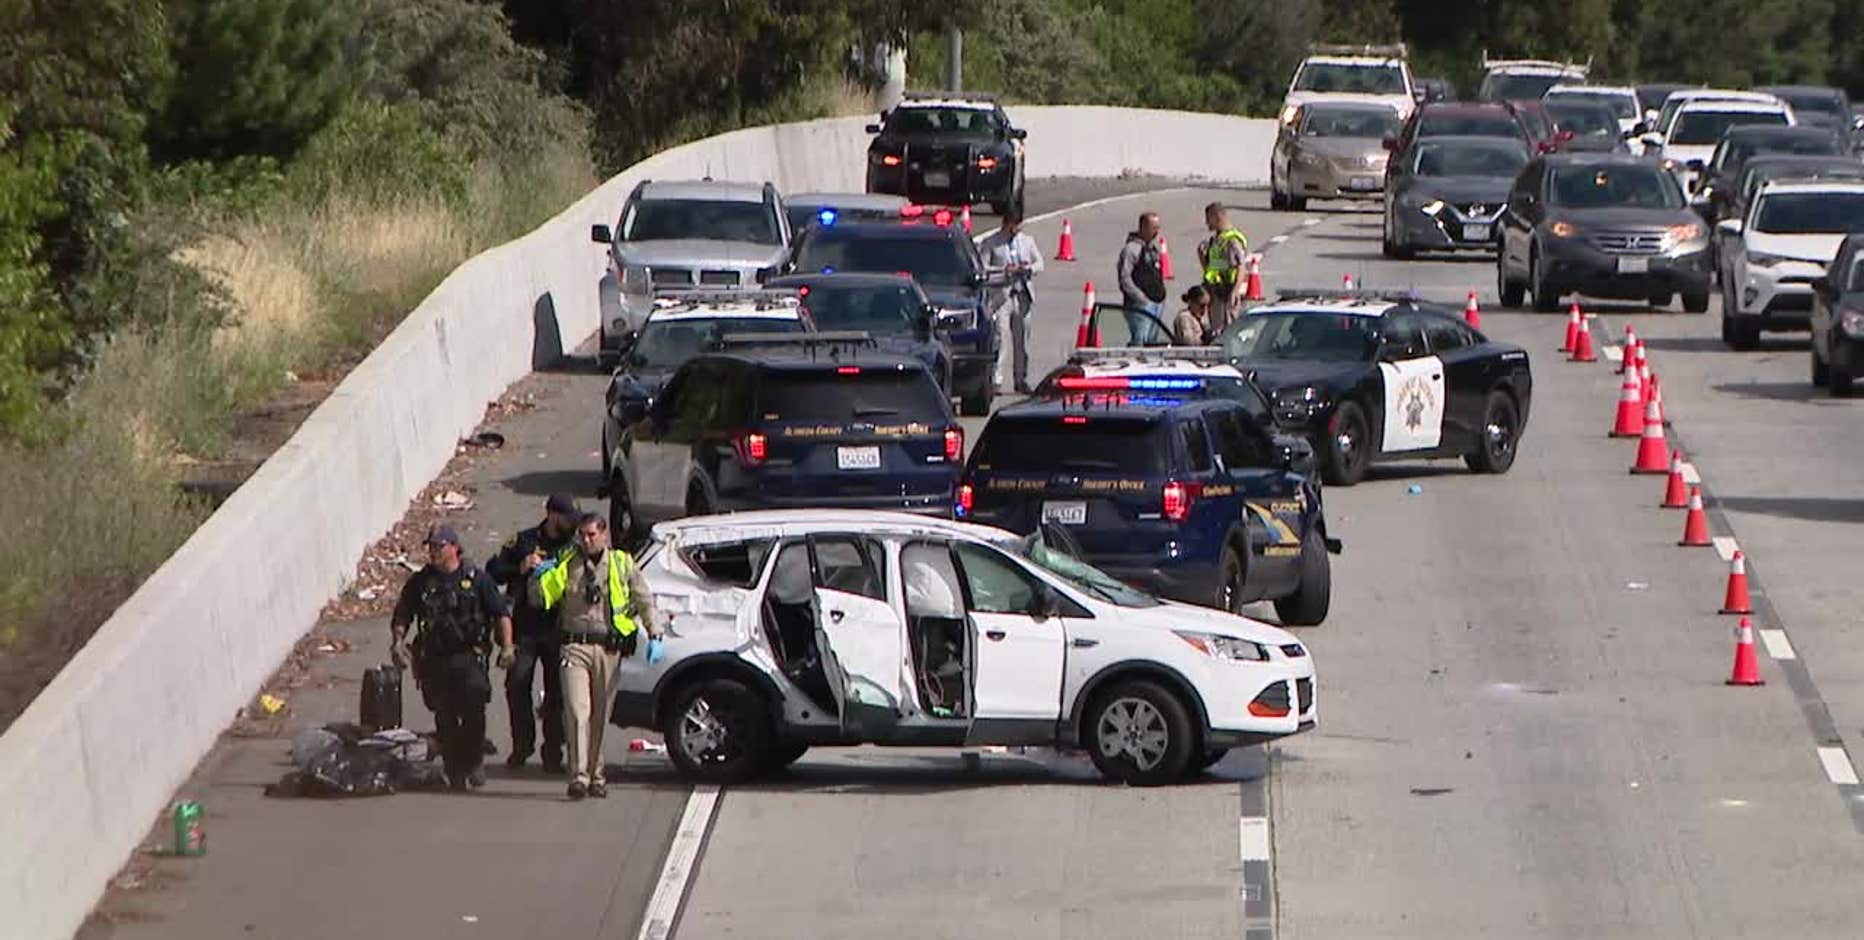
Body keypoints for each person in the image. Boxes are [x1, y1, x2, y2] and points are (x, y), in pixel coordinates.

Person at [530, 513, 664, 801]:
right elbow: (541, 598)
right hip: (574, 646)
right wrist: (539, 576)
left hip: (608, 649)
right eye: (582, 534)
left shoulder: (621, 563)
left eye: (592, 535)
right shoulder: (567, 562)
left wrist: (655, 633)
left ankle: (596, 775)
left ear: (604, 535)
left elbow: (644, 600)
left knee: (600, 716)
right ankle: (578, 777)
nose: (586, 540)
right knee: (578, 712)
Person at [390, 524, 514, 790]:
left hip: (469, 656)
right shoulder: (421, 582)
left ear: (454, 547)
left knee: (473, 710)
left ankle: (474, 760)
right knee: (444, 716)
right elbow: (403, 614)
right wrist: (398, 642)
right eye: (431, 546)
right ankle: (454, 769)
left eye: (439, 546)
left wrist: (507, 646)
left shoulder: (477, 579)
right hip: (435, 659)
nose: (433, 551)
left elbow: (500, 613)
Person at [485, 492, 580, 773]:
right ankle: (522, 746)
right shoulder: (524, 541)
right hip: (525, 627)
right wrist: (520, 567)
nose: (571, 523)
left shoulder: (574, 545)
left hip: (559, 627)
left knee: (557, 693)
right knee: (517, 685)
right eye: (567, 518)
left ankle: (553, 752)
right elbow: (492, 571)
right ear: (552, 515)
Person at [978, 210, 1045, 393]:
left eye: (1018, 225)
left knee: (1022, 339)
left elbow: (1040, 263)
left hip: (1022, 295)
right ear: (1005, 224)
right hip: (1002, 297)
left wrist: (1028, 268)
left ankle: (1021, 378)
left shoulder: (1027, 241)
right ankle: (996, 379)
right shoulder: (991, 242)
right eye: (1012, 226)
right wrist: (1003, 271)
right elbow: (983, 269)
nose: (1015, 229)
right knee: (1000, 338)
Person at [1116, 212, 1169, 344]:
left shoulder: (1152, 249)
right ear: (1143, 227)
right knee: (1140, 342)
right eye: (1153, 228)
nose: (1157, 232)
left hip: (1157, 303)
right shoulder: (1131, 250)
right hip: (1140, 307)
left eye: (1158, 227)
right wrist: (1141, 298)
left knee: (1152, 343)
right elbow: (1124, 278)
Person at [1197, 202, 1250, 333]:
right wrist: (1203, 259)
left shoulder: (1232, 240)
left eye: (1209, 219)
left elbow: (1241, 267)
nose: (1206, 223)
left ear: (1218, 217)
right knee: (1217, 330)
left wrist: (1234, 292)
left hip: (1227, 292)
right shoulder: (1217, 239)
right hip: (1216, 293)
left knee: (1229, 331)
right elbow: (1214, 269)